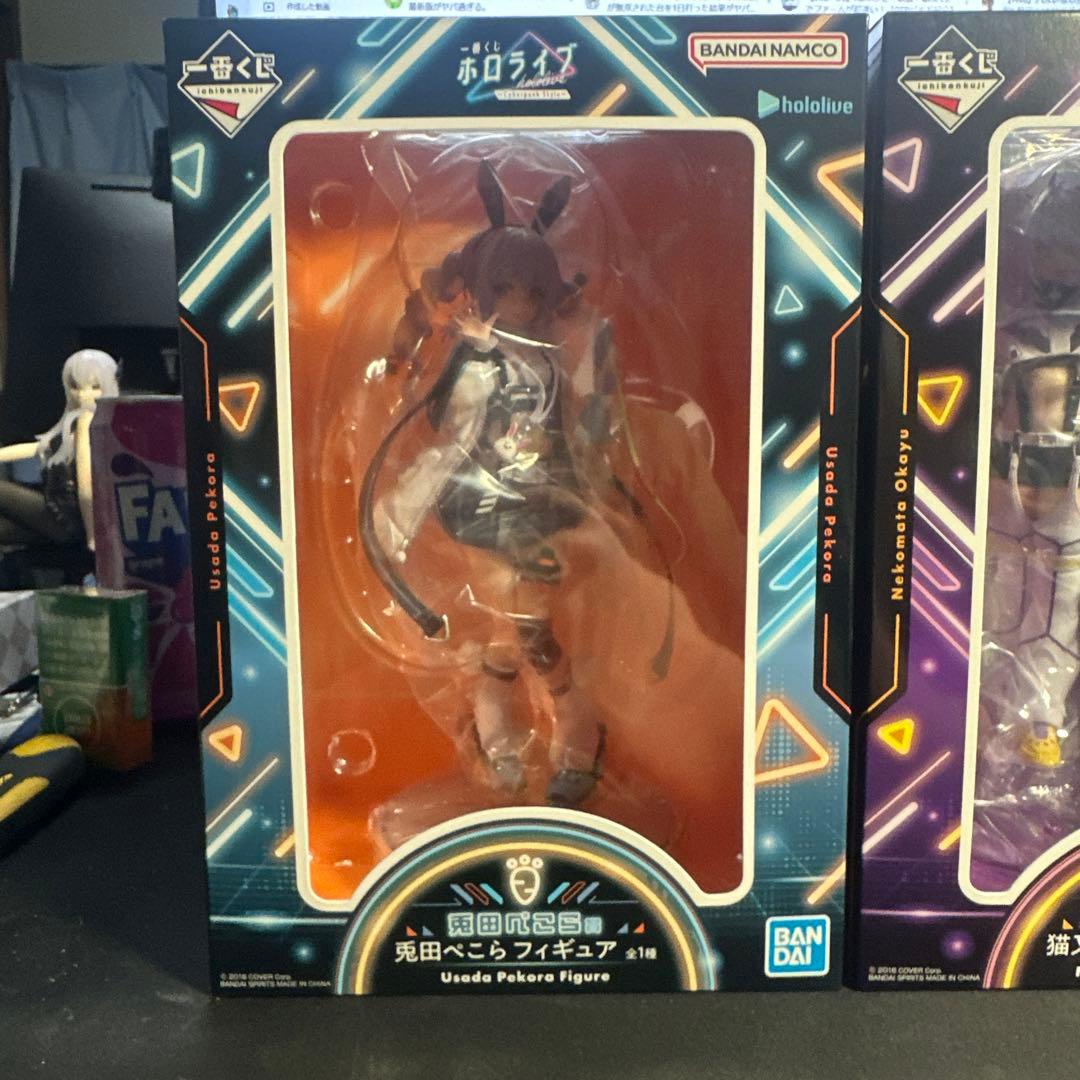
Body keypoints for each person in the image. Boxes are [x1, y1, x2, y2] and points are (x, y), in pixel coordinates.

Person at [0, 349, 119, 548]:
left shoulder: (87, 421)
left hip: (66, 519)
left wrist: (92, 536)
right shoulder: (90, 422)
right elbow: (38, 448)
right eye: (75, 386)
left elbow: (86, 485)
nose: (83, 394)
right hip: (64, 518)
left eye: (95, 387)